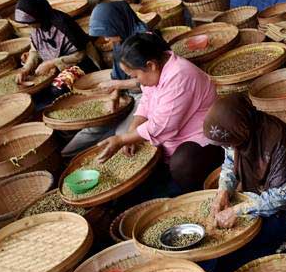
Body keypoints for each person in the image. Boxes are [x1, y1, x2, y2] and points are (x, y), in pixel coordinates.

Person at [95, 32, 223, 193]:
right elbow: (146, 102)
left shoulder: (180, 76)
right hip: (173, 136)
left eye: (135, 75)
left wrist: (122, 139)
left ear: (151, 65)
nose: (136, 80)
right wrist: (131, 134)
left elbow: (162, 125)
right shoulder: (156, 73)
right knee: (138, 151)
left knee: (182, 164)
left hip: (204, 138)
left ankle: (200, 192)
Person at [205, 94, 286, 256]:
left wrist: (237, 211)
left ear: (242, 131)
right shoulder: (236, 135)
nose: (228, 147)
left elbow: (281, 196)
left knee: (244, 251)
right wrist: (223, 192)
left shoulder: (279, 139)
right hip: (252, 199)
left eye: (229, 144)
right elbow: (229, 164)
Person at [61, 1, 149, 157]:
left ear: (117, 22)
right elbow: (116, 73)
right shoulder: (119, 39)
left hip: (145, 95)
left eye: (108, 32)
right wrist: (114, 96)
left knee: (123, 134)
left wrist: (117, 85)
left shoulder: (144, 40)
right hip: (125, 93)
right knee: (94, 127)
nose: (106, 38)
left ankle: (102, 149)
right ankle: (69, 156)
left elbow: (149, 81)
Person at [14, 0, 99, 103]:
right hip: (57, 63)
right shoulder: (37, 26)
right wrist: (26, 69)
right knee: (33, 90)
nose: (28, 25)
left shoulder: (63, 24)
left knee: (57, 89)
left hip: (83, 62)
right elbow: (34, 51)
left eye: (30, 22)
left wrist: (51, 63)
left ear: (38, 15)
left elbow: (80, 55)